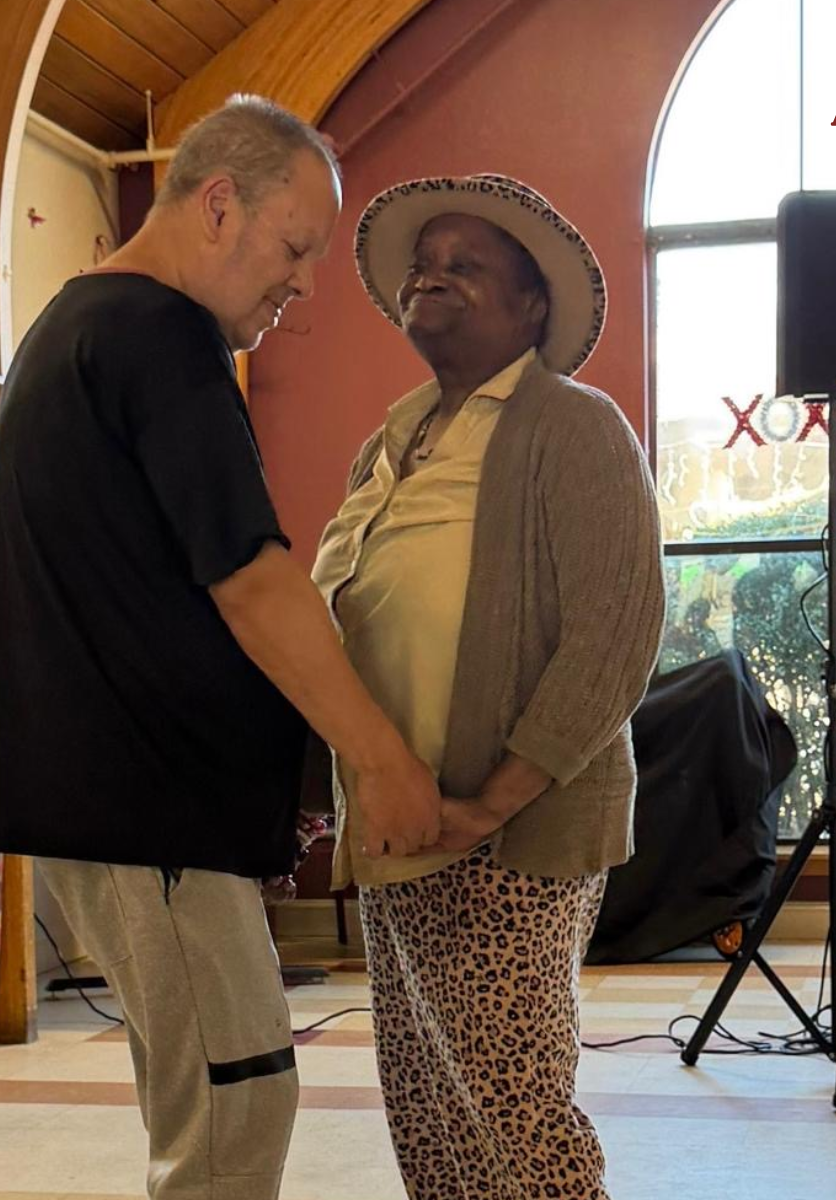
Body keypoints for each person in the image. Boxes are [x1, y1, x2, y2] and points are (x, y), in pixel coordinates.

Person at [0, 96, 441, 1200]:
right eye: (294, 247)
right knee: (233, 1113)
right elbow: (252, 582)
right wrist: (380, 760)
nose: (304, 284)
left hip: (128, 813)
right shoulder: (159, 334)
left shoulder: (78, 326)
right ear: (219, 204)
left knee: (209, 1094)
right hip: (152, 813)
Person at [311, 174, 664, 1200]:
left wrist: (492, 799)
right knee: (424, 1096)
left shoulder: (573, 426)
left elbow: (615, 633)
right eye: (425, 264)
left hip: (512, 820)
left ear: (531, 306)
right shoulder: (393, 438)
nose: (433, 277)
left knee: (512, 1102)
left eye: (466, 266)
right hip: (402, 812)